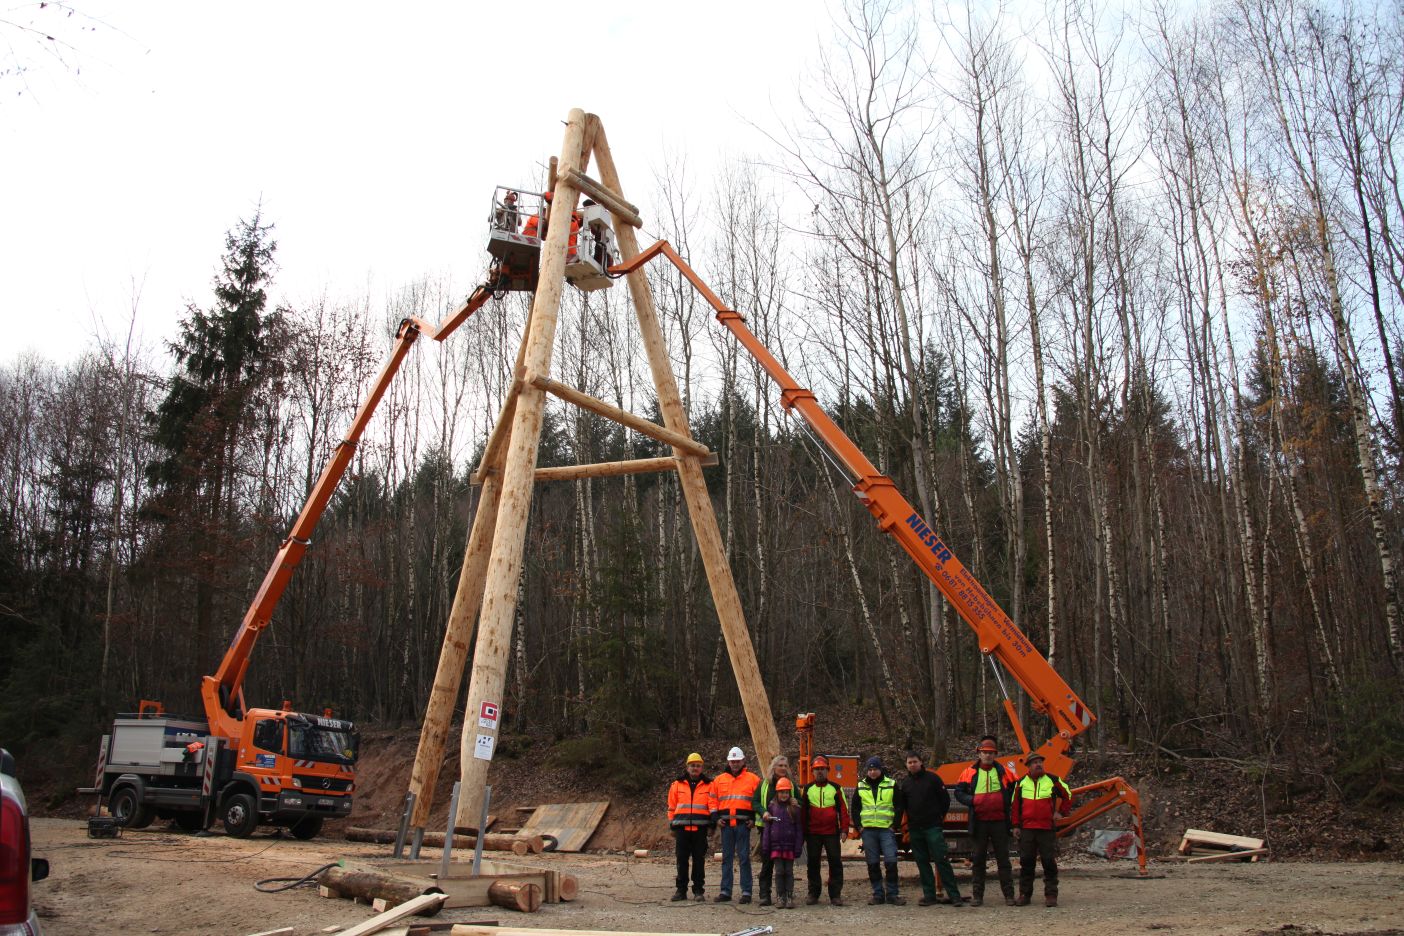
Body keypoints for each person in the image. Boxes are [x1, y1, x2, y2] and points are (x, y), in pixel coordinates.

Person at [954, 736, 1018, 906]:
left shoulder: (1004, 771)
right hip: (979, 822)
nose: (988, 756)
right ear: (979, 753)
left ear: (995, 754)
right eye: (985, 753)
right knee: (978, 860)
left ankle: (1009, 896)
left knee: (1003, 860)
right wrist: (972, 800)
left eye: (991, 753)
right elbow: (958, 792)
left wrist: (1007, 802)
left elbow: (1016, 788)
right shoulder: (969, 772)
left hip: (999, 822)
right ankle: (977, 896)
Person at [901, 750, 967, 907]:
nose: (912, 764)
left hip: (933, 827)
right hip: (915, 829)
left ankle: (954, 896)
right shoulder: (906, 784)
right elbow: (903, 806)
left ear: (921, 762)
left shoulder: (933, 779)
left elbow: (945, 801)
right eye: (909, 762)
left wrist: (938, 818)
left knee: (942, 860)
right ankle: (929, 895)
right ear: (906, 765)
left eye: (915, 761)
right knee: (922, 863)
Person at [1011, 751, 1072, 908]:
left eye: (1040, 762)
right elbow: (1015, 805)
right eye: (1035, 762)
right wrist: (1016, 825)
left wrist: (1061, 812)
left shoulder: (1052, 780)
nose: (1038, 764)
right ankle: (1024, 895)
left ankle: (1051, 895)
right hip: (1027, 829)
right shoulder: (1021, 783)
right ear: (1029, 766)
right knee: (1026, 862)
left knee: (1048, 862)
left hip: (1046, 829)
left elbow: (1068, 794)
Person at [850, 755, 904, 905]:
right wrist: (859, 826)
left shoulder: (891, 784)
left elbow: (899, 805)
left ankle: (893, 894)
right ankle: (878, 894)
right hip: (868, 830)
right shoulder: (860, 786)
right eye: (870, 769)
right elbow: (855, 807)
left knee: (891, 861)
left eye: (875, 769)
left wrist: (895, 825)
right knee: (872, 863)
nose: (872, 772)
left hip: (886, 829)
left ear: (881, 770)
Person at [710, 746, 761, 903]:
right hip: (725, 825)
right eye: (732, 761)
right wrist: (715, 818)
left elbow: (757, 801)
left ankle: (746, 892)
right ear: (728, 762)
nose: (735, 764)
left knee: (744, 858)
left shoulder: (753, 779)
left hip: (743, 825)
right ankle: (726, 891)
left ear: (743, 761)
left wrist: (753, 819)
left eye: (737, 761)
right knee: (727, 858)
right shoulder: (719, 780)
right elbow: (712, 801)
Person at [800, 754, 849, 906]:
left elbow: (843, 810)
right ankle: (813, 893)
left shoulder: (836, 788)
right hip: (813, 833)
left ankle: (835, 894)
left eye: (822, 769)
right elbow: (802, 813)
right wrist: (802, 833)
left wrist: (844, 829)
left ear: (827, 770)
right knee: (813, 863)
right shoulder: (807, 789)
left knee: (835, 862)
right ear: (812, 772)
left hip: (831, 832)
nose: (819, 772)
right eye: (816, 769)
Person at [667, 752, 716, 902]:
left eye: (698, 766)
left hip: (700, 830)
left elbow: (713, 806)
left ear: (702, 767)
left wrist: (712, 825)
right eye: (692, 765)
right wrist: (672, 826)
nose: (695, 768)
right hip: (681, 830)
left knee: (699, 861)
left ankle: (698, 890)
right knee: (681, 860)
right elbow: (671, 807)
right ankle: (681, 890)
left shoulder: (709, 785)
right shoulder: (676, 785)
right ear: (687, 767)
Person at [752, 753, 792, 907]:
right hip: (767, 830)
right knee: (767, 863)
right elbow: (755, 801)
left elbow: (799, 803)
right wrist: (764, 812)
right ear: (773, 767)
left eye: (785, 765)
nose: (782, 768)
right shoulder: (764, 784)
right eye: (779, 765)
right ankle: (765, 894)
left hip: (786, 831)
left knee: (786, 867)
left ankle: (785, 895)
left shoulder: (791, 784)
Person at [761, 777, 804, 910]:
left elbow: (799, 829)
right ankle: (780, 896)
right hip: (776, 846)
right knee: (779, 871)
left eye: (786, 792)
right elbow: (767, 828)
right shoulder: (772, 807)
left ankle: (790, 896)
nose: (784, 795)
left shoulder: (794, 809)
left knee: (789, 872)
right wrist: (766, 845)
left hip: (789, 847)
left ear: (790, 793)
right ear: (777, 793)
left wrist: (798, 846)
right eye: (781, 792)